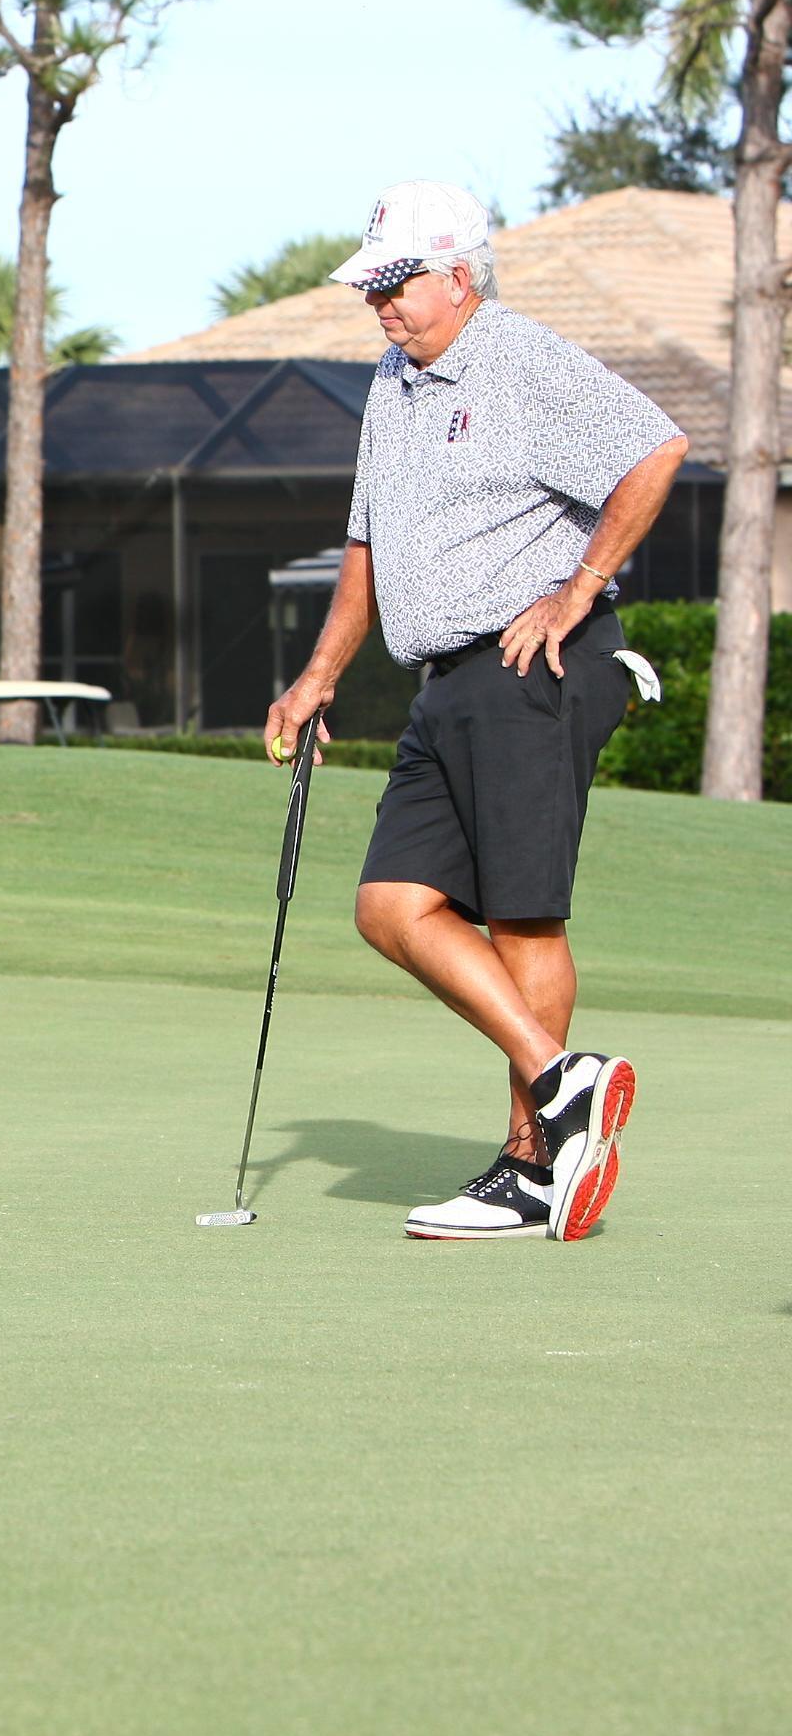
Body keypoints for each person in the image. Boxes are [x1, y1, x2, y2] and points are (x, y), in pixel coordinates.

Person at [266, 181, 684, 1243]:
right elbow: (367, 542)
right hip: (445, 680)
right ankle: (561, 1079)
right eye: (370, 287)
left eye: (395, 283)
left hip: (530, 663)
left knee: (521, 916)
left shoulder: (519, 357)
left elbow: (655, 450)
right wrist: (318, 674)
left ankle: (531, 1164)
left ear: (459, 276)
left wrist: (578, 588)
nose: (379, 304)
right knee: (390, 905)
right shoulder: (391, 380)